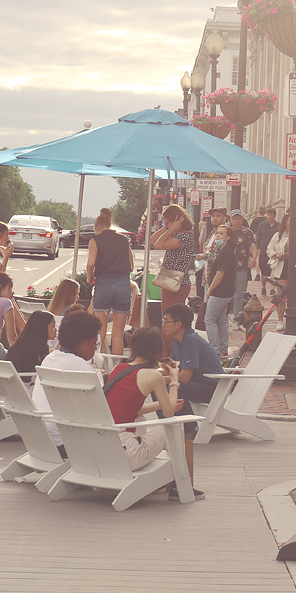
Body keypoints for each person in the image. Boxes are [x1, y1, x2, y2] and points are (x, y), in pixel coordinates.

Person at [103, 328, 191, 493]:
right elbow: (169, 413)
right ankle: (179, 486)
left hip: (107, 451)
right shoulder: (153, 375)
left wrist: (159, 404)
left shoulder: (119, 369)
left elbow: (131, 410)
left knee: (140, 419)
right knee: (175, 425)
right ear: (157, 352)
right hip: (128, 455)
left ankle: (157, 482)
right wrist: (174, 380)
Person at [163, 302, 225, 494]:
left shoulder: (190, 340)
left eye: (166, 321)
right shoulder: (177, 340)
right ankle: (168, 423)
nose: (163, 325)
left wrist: (160, 378)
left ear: (178, 324)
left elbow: (184, 377)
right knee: (164, 386)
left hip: (211, 388)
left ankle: (189, 428)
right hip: (196, 384)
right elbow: (176, 369)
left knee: (174, 387)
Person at [31, 308, 105, 455]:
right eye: (94, 344)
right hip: (68, 444)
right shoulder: (82, 368)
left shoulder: (50, 359)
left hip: (42, 439)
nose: (94, 349)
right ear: (83, 343)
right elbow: (102, 410)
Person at [86, 207, 133, 358]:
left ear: (97, 227)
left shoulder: (95, 240)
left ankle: (98, 365)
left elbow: (91, 263)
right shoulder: (124, 240)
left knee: (100, 333)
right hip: (123, 283)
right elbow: (131, 265)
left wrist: (89, 277)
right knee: (117, 334)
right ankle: (116, 368)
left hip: (104, 282)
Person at [151, 204, 196, 309]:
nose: (166, 225)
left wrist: (170, 229)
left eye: (167, 222)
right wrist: (167, 227)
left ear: (177, 220)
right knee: (167, 313)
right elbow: (152, 240)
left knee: (170, 314)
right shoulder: (176, 235)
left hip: (178, 282)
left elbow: (158, 245)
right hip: (169, 280)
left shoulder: (185, 236)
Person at [203, 225, 238, 358]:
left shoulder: (226, 252)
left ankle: (215, 350)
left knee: (209, 320)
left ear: (228, 237)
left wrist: (210, 290)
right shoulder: (226, 251)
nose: (217, 235)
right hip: (226, 291)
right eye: (217, 233)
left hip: (220, 292)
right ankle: (222, 349)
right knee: (221, 320)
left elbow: (219, 275)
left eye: (221, 234)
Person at [6, 310, 55, 381]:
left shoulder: (18, 346)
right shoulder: (40, 350)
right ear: (43, 328)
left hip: (15, 385)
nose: (56, 330)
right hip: (30, 385)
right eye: (53, 327)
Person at [227, 209, 258, 311]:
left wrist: (254, 258)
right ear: (230, 220)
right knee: (227, 292)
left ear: (242, 219)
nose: (237, 221)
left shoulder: (247, 232)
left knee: (239, 294)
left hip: (242, 266)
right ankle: (225, 314)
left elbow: (253, 246)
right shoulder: (227, 231)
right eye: (234, 218)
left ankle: (236, 316)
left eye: (239, 218)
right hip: (228, 267)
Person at [266, 214, 291, 328]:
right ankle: (280, 320)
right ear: (285, 223)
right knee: (281, 295)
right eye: (290, 221)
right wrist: (276, 254)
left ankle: (291, 319)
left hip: (295, 268)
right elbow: (269, 249)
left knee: (294, 297)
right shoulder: (278, 236)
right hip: (282, 268)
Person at [255, 207, 278, 293]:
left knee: (274, 269)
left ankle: (272, 288)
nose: (269, 217)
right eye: (268, 215)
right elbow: (257, 234)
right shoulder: (262, 225)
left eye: (271, 215)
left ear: (274, 216)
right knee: (263, 269)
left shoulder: (279, 226)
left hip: (274, 251)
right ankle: (263, 287)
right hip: (264, 249)